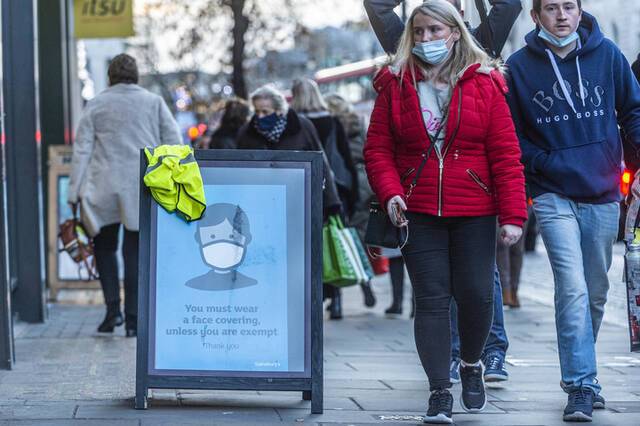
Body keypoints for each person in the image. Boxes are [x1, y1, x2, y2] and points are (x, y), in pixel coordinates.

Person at [364, 1, 527, 422]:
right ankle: (439, 390)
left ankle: (471, 363)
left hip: (474, 208)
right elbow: (378, 149)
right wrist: (391, 193)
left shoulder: (485, 83)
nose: (426, 40)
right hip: (417, 211)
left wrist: (512, 216)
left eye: (435, 31)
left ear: (455, 33)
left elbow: (506, 155)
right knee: (432, 301)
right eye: (418, 33)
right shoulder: (395, 83)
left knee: (475, 295)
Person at [505, 0, 640, 421]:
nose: (561, 15)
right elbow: (512, 133)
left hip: (601, 191)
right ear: (536, 16)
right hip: (551, 193)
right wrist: (542, 164)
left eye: (568, 6)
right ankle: (582, 384)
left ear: (580, 12)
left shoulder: (608, 55)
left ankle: (582, 369)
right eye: (551, 8)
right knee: (573, 287)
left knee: (595, 292)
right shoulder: (519, 66)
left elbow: (633, 112)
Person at [68, 53, 183, 337]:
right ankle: (133, 319)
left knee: (105, 250)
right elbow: (174, 142)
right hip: (141, 186)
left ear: (110, 76)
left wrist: (74, 192)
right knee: (135, 253)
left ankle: (112, 312)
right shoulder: (153, 102)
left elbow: (82, 149)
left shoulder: (96, 104)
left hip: (102, 187)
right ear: (136, 75)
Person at [291, 79, 374, 319]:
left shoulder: (293, 122)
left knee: (308, 246)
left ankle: (315, 297)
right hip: (334, 189)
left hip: (301, 188)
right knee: (333, 240)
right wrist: (352, 191)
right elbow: (344, 157)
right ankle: (337, 300)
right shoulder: (331, 120)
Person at [185, 203, 258, 291]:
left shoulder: (249, 284)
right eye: (212, 237)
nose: (222, 245)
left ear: (247, 239)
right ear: (199, 238)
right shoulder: (194, 285)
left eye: (231, 236)